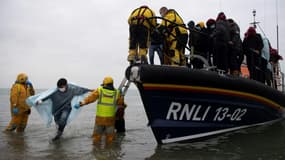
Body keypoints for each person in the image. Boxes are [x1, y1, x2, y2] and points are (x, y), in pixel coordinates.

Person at [77, 76, 125, 145]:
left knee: (97, 137)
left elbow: (90, 98)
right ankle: (110, 152)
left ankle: (96, 152)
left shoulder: (100, 90)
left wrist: (82, 103)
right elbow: (121, 104)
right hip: (110, 119)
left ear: (104, 84)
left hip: (100, 119)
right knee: (110, 137)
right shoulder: (117, 93)